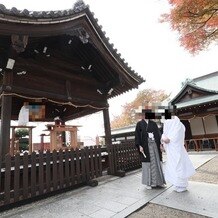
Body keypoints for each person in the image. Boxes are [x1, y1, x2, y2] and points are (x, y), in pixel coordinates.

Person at [161, 113, 195, 192]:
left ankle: (181, 185)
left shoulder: (174, 124)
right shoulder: (180, 125)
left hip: (175, 150)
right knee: (177, 166)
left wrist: (163, 136)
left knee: (178, 166)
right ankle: (178, 184)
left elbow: (167, 140)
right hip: (176, 150)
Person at [135, 109, 166, 189]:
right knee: (148, 164)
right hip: (146, 146)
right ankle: (148, 183)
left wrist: (160, 144)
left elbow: (158, 135)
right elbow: (137, 136)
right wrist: (139, 146)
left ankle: (159, 182)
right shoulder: (139, 124)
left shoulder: (153, 123)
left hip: (155, 145)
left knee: (157, 162)